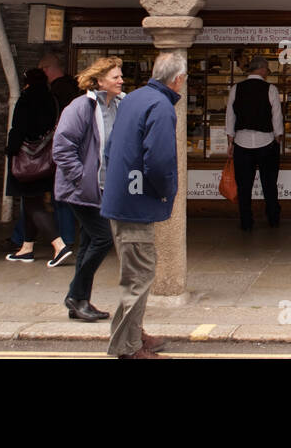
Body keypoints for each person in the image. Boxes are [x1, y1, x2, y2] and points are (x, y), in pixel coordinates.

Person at [102, 51, 185, 359]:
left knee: (134, 274)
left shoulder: (134, 99)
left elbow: (110, 150)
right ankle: (127, 347)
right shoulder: (161, 106)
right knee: (138, 277)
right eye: (184, 79)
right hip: (135, 204)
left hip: (123, 197)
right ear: (177, 79)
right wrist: (165, 192)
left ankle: (133, 332)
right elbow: (160, 160)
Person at [52, 56, 125, 321]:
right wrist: (82, 178)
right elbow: (62, 147)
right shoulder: (81, 107)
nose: (121, 80)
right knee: (104, 237)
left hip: (105, 187)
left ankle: (80, 301)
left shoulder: (119, 105)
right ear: (98, 81)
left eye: (120, 76)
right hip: (81, 189)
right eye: (115, 76)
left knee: (90, 242)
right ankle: (75, 295)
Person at [4, 68, 71, 265]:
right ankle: (27, 247)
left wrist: (10, 151)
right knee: (32, 203)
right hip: (46, 160)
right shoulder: (53, 100)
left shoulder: (25, 100)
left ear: (27, 82)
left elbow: (18, 129)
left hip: (27, 161)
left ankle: (59, 246)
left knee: (33, 205)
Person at [225, 55, 283, 231]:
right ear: (263, 69)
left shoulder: (236, 88)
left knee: (244, 186)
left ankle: (246, 221)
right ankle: (273, 218)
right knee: (269, 184)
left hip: (242, 142)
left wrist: (230, 141)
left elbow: (230, 116)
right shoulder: (270, 89)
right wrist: (277, 138)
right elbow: (277, 116)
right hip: (266, 142)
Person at [39, 51, 80, 248]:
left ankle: (66, 237)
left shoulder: (56, 91)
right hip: (70, 148)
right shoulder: (72, 87)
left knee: (59, 194)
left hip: (60, 149)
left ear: (46, 69)